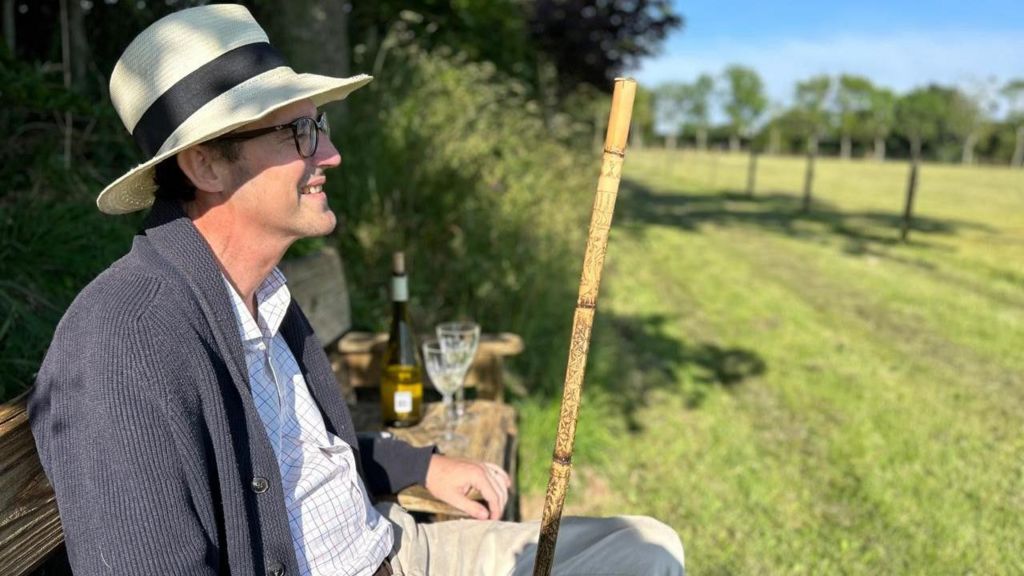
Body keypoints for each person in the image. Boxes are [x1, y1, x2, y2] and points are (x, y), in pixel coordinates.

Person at [28, 5, 685, 576]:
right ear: (204, 163)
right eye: (299, 132)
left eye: (320, 126)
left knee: (648, 549)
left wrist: (418, 467)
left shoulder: (266, 294)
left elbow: (293, 462)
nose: (331, 154)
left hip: (395, 550)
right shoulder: (121, 346)